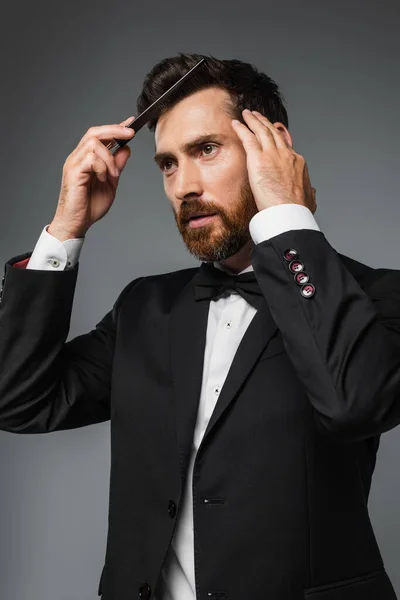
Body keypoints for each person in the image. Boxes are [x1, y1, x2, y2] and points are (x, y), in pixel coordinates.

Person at [0, 52, 399, 600]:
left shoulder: (379, 298)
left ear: (273, 145)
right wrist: (65, 229)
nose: (184, 184)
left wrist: (284, 212)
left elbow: (353, 404)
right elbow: (19, 400)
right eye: (167, 164)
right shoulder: (145, 307)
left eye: (205, 150)